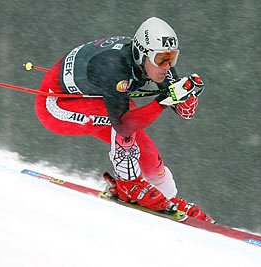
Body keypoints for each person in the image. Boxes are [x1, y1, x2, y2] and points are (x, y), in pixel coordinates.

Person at [35, 17, 213, 222]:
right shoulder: (114, 66)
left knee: (147, 154)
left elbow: (184, 112)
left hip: (93, 97)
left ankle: (169, 197)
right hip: (55, 105)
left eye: (172, 58)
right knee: (129, 115)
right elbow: (123, 125)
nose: (167, 66)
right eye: (161, 59)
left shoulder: (157, 62)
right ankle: (128, 183)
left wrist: (189, 95)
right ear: (140, 53)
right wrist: (161, 102)